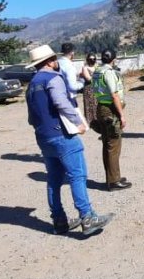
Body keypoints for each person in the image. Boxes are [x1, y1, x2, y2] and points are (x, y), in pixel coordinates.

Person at [24, 45, 113, 235]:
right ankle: (87, 217)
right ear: (49, 61)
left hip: (43, 137)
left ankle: (59, 220)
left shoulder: (31, 85)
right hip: (62, 134)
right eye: (54, 58)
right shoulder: (53, 78)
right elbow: (60, 102)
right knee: (77, 175)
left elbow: (31, 118)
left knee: (54, 179)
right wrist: (77, 122)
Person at [93, 49, 132, 191]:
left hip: (102, 108)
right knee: (113, 146)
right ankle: (114, 181)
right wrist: (121, 115)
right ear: (113, 59)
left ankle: (113, 176)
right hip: (110, 110)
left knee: (108, 145)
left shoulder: (97, 71)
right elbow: (114, 95)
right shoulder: (108, 73)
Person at [80, 53, 98, 125]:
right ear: (87, 60)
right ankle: (90, 121)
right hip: (89, 88)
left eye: (94, 59)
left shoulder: (97, 66)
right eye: (91, 59)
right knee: (90, 104)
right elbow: (88, 79)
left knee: (97, 103)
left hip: (97, 87)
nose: (92, 60)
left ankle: (97, 119)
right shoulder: (85, 67)